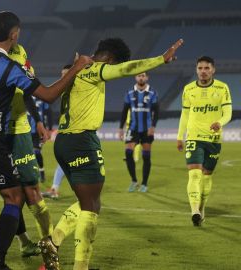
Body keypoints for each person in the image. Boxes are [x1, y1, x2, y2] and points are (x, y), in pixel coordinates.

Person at [0, 11, 92, 270]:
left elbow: (26, 91)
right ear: (13, 33)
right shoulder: (8, 64)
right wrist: (76, 67)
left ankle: (42, 248)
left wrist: (37, 121)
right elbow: (47, 93)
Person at [38, 38, 183, 270]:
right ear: (111, 58)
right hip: (81, 140)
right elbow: (127, 69)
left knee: (89, 202)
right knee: (91, 205)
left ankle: (53, 241)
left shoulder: (79, 70)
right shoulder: (95, 69)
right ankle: (79, 264)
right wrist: (160, 59)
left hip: (64, 141)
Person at [176, 56, 232, 227]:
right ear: (196, 70)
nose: (203, 71)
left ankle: (202, 207)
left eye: (207, 68)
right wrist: (180, 136)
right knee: (194, 174)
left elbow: (228, 112)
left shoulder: (222, 88)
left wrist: (219, 123)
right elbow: (185, 114)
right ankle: (194, 210)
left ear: (213, 70)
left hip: (213, 139)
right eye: (200, 68)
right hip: (194, 137)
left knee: (207, 177)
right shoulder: (188, 89)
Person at [118, 72, 159, 193]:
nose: (141, 78)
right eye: (139, 76)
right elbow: (124, 111)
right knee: (128, 153)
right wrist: (121, 128)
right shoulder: (130, 92)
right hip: (133, 128)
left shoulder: (152, 92)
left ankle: (144, 183)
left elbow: (157, 111)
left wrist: (153, 126)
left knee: (146, 156)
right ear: (135, 77)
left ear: (147, 77)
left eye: (143, 76)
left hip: (147, 129)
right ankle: (134, 180)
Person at [42, 64, 72, 200]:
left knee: (74, 162)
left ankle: (84, 192)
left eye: (65, 75)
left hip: (77, 131)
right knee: (64, 160)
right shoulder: (65, 91)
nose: (63, 78)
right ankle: (54, 188)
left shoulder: (78, 90)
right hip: (66, 130)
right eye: (61, 75)